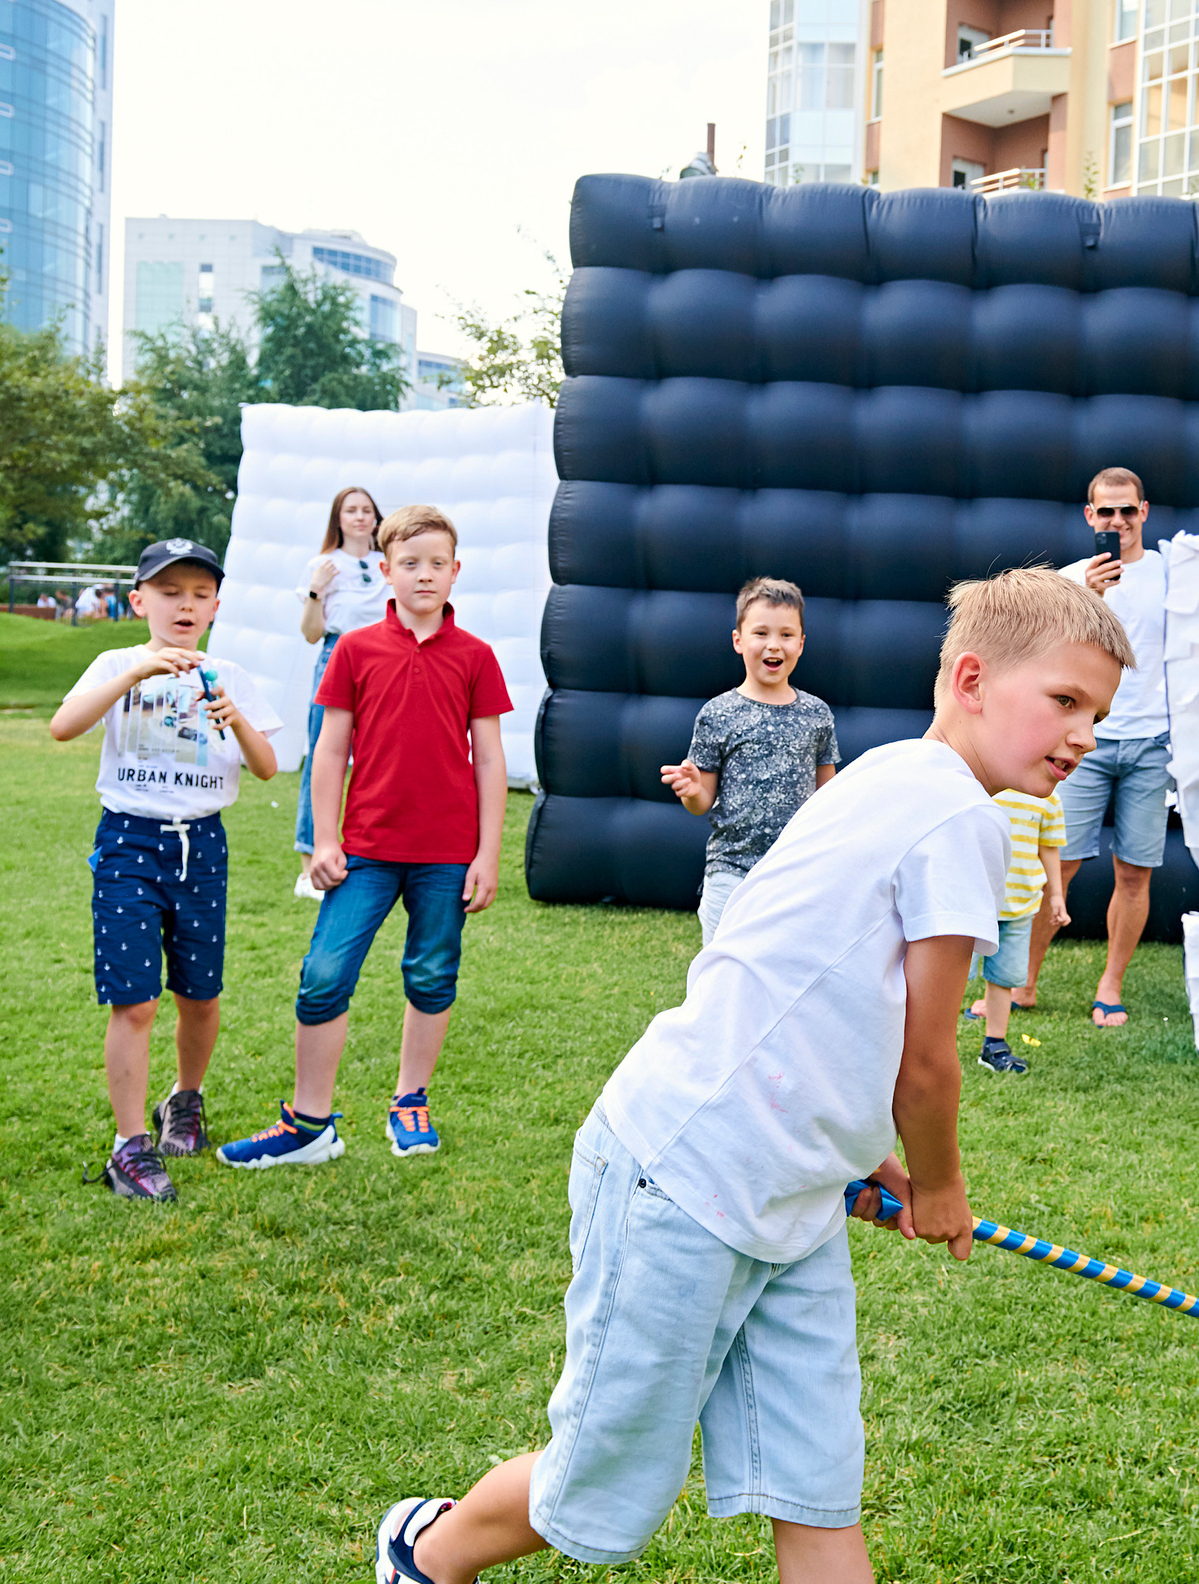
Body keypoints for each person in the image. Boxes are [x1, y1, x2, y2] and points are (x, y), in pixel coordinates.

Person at [368, 567, 1132, 1584]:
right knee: (601, 1483)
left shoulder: (889, 775)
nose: (1083, 735)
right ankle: (427, 1554)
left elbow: (823, 1000)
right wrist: (940, 1182)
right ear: (973, 677)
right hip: (684, 1176)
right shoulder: (957, 819)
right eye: (1065, 702)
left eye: (1099, 714)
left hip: (794, 1195)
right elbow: (925, 1058)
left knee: (815, 1485)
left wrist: (862, 1159)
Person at [218, 504, 510, 1170]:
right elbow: (329, 752)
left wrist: (487, 854)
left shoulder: (477, 657)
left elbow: (489, 760)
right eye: (410, 563)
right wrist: (324, 841)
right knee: (324, 975)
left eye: (438, 563)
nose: (424, 575)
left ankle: (410, 1099)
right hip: (365, 851)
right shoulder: (353, 649)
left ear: (456, 571)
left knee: (432, 973)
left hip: (446, 854)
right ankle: (309, 1123)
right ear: (385, 572)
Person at [49, 538, 280, 1202]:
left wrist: (234, 718)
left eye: (200, 593)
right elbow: (64, 726)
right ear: (138, 599)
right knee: (136, 998)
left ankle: (185, 1097)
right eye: (170, 591)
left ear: (215, 604)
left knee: (200, 993)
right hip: (129, 840)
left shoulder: (229, 672)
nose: (185, 604)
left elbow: (266, 767)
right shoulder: (115, 661)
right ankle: (130, 1146)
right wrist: (133, 675)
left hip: (201, 844)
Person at [1027, 467, 1170, 1027]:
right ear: (1090, 517)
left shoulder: (1170, 574)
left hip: (1152, 740)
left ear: (1144, 512)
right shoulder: (1069, 579)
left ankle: (1110, 985)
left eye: (1127, 511)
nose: (1118, 522)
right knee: (1056, 867)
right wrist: (1088, 599)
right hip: (1081, 742)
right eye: (1106, 512)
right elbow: (1044, 657)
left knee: (1135, 872)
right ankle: (1022, 982)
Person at [659, 577, 840, 943]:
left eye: (786, 635)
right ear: (738, 640)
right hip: (731, 871)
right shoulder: (717, 714)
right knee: (722, 982)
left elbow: (829, 799)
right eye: (761, 633)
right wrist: (692, 790)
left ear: (801, 644)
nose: (774, 645)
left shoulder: (817, 715)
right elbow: (702, 803)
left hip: (797, 875)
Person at [291, 486, 390, 899]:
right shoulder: (323, 564)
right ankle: (310, 863)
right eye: (351, 510)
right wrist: (316, 589)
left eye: (367, 510)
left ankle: (376, 852)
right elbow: (311, 632)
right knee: (324, 757)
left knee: (383, 759)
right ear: (338, 518)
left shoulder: (389, 563)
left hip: (386, 661)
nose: (360, 517)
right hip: (337, 658)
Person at [965, 787, 1068, 1074]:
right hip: (971, 906)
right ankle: (935, 1046)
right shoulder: (983, 786)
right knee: (952, 980)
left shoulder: (1047, 796)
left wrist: (1056, 895)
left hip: (1020, 907)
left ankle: (994, 1046)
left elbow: (1049, 847)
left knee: (1004, 980)